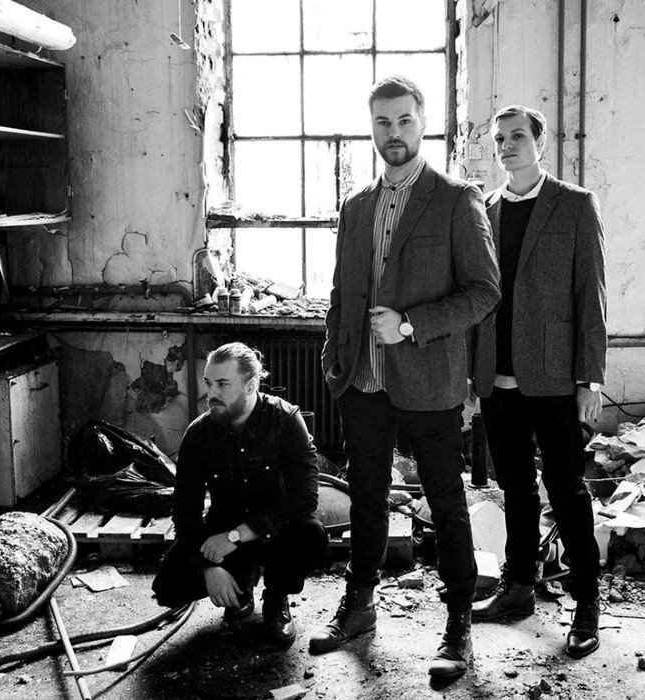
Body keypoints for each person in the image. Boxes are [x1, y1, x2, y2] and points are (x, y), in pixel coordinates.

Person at [310, 75, 501, 681]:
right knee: (366, 496)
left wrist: (412, 325)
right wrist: (334, 360)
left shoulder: (456, 198)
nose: (393, 133)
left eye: (404, 121)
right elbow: (342, 292)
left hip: (429, 381)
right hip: (362, 382)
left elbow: (484, 292)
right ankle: (359, 605)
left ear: (423, 123)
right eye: (383, 122)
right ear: (372, 128)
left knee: (446, 501)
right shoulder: (356, 205)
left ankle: (458, 624)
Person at [469, 105, 606, 659]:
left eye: (517, 136)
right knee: (516, 489)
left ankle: (586, 603)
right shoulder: (484, 208)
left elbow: (591, 294)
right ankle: (519, 587)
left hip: (554, 375)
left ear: (540, 143)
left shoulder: (574, 204)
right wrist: (471, 374)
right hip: (496, 376)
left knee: (567, 489)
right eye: (499, 138)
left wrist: (590, 378)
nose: (507, 146)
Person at [152, 342, 328, 646]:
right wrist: (209, 567)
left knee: (311, 536)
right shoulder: (198, 434)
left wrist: (236, 536)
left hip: (275, 532)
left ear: (250, 385)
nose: (211, 394)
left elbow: (305, 497)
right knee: (169, 587)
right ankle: (240, 585)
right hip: (224, 530)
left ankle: (276, 598)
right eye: (208, 383)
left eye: (223, 384)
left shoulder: (285, 420)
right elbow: (185, 512)